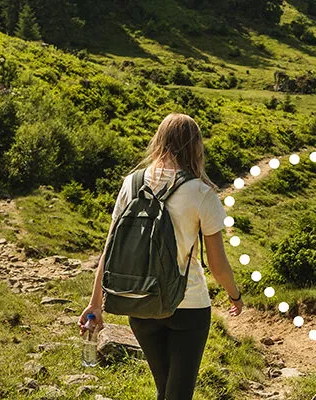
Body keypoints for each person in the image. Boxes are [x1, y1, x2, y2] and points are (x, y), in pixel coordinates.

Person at [80, 113, 245, 400]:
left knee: (165, 388)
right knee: (178, 393)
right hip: (189, 307)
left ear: (159, 141)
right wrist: (235, 295)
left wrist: (96, 304)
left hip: (139, 302)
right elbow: (217, 264)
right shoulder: (201, 193)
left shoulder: (132, 184)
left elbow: (110, 248)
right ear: (195, 147)